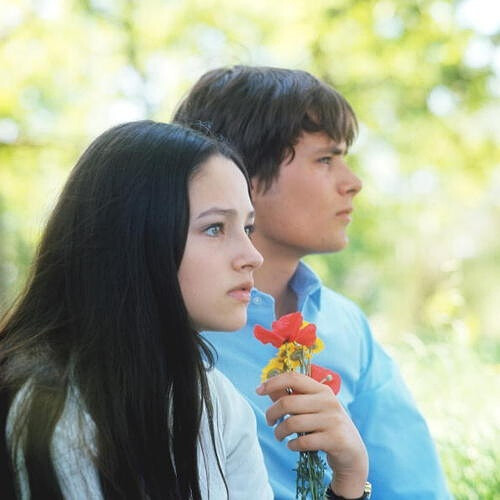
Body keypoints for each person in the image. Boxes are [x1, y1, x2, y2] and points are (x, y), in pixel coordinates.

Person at [174, 65, 452, 499]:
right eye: (326, 159)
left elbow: (413, 489)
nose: (353, 183)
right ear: (238, 174)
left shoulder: (345, 326)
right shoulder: (167, 323)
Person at [0, 121, 273, 499]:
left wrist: (348, 484)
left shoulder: (214, 400)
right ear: (135, 237)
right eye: (215, 228)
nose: (252, 256)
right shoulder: (49, 409)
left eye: (248, 228)